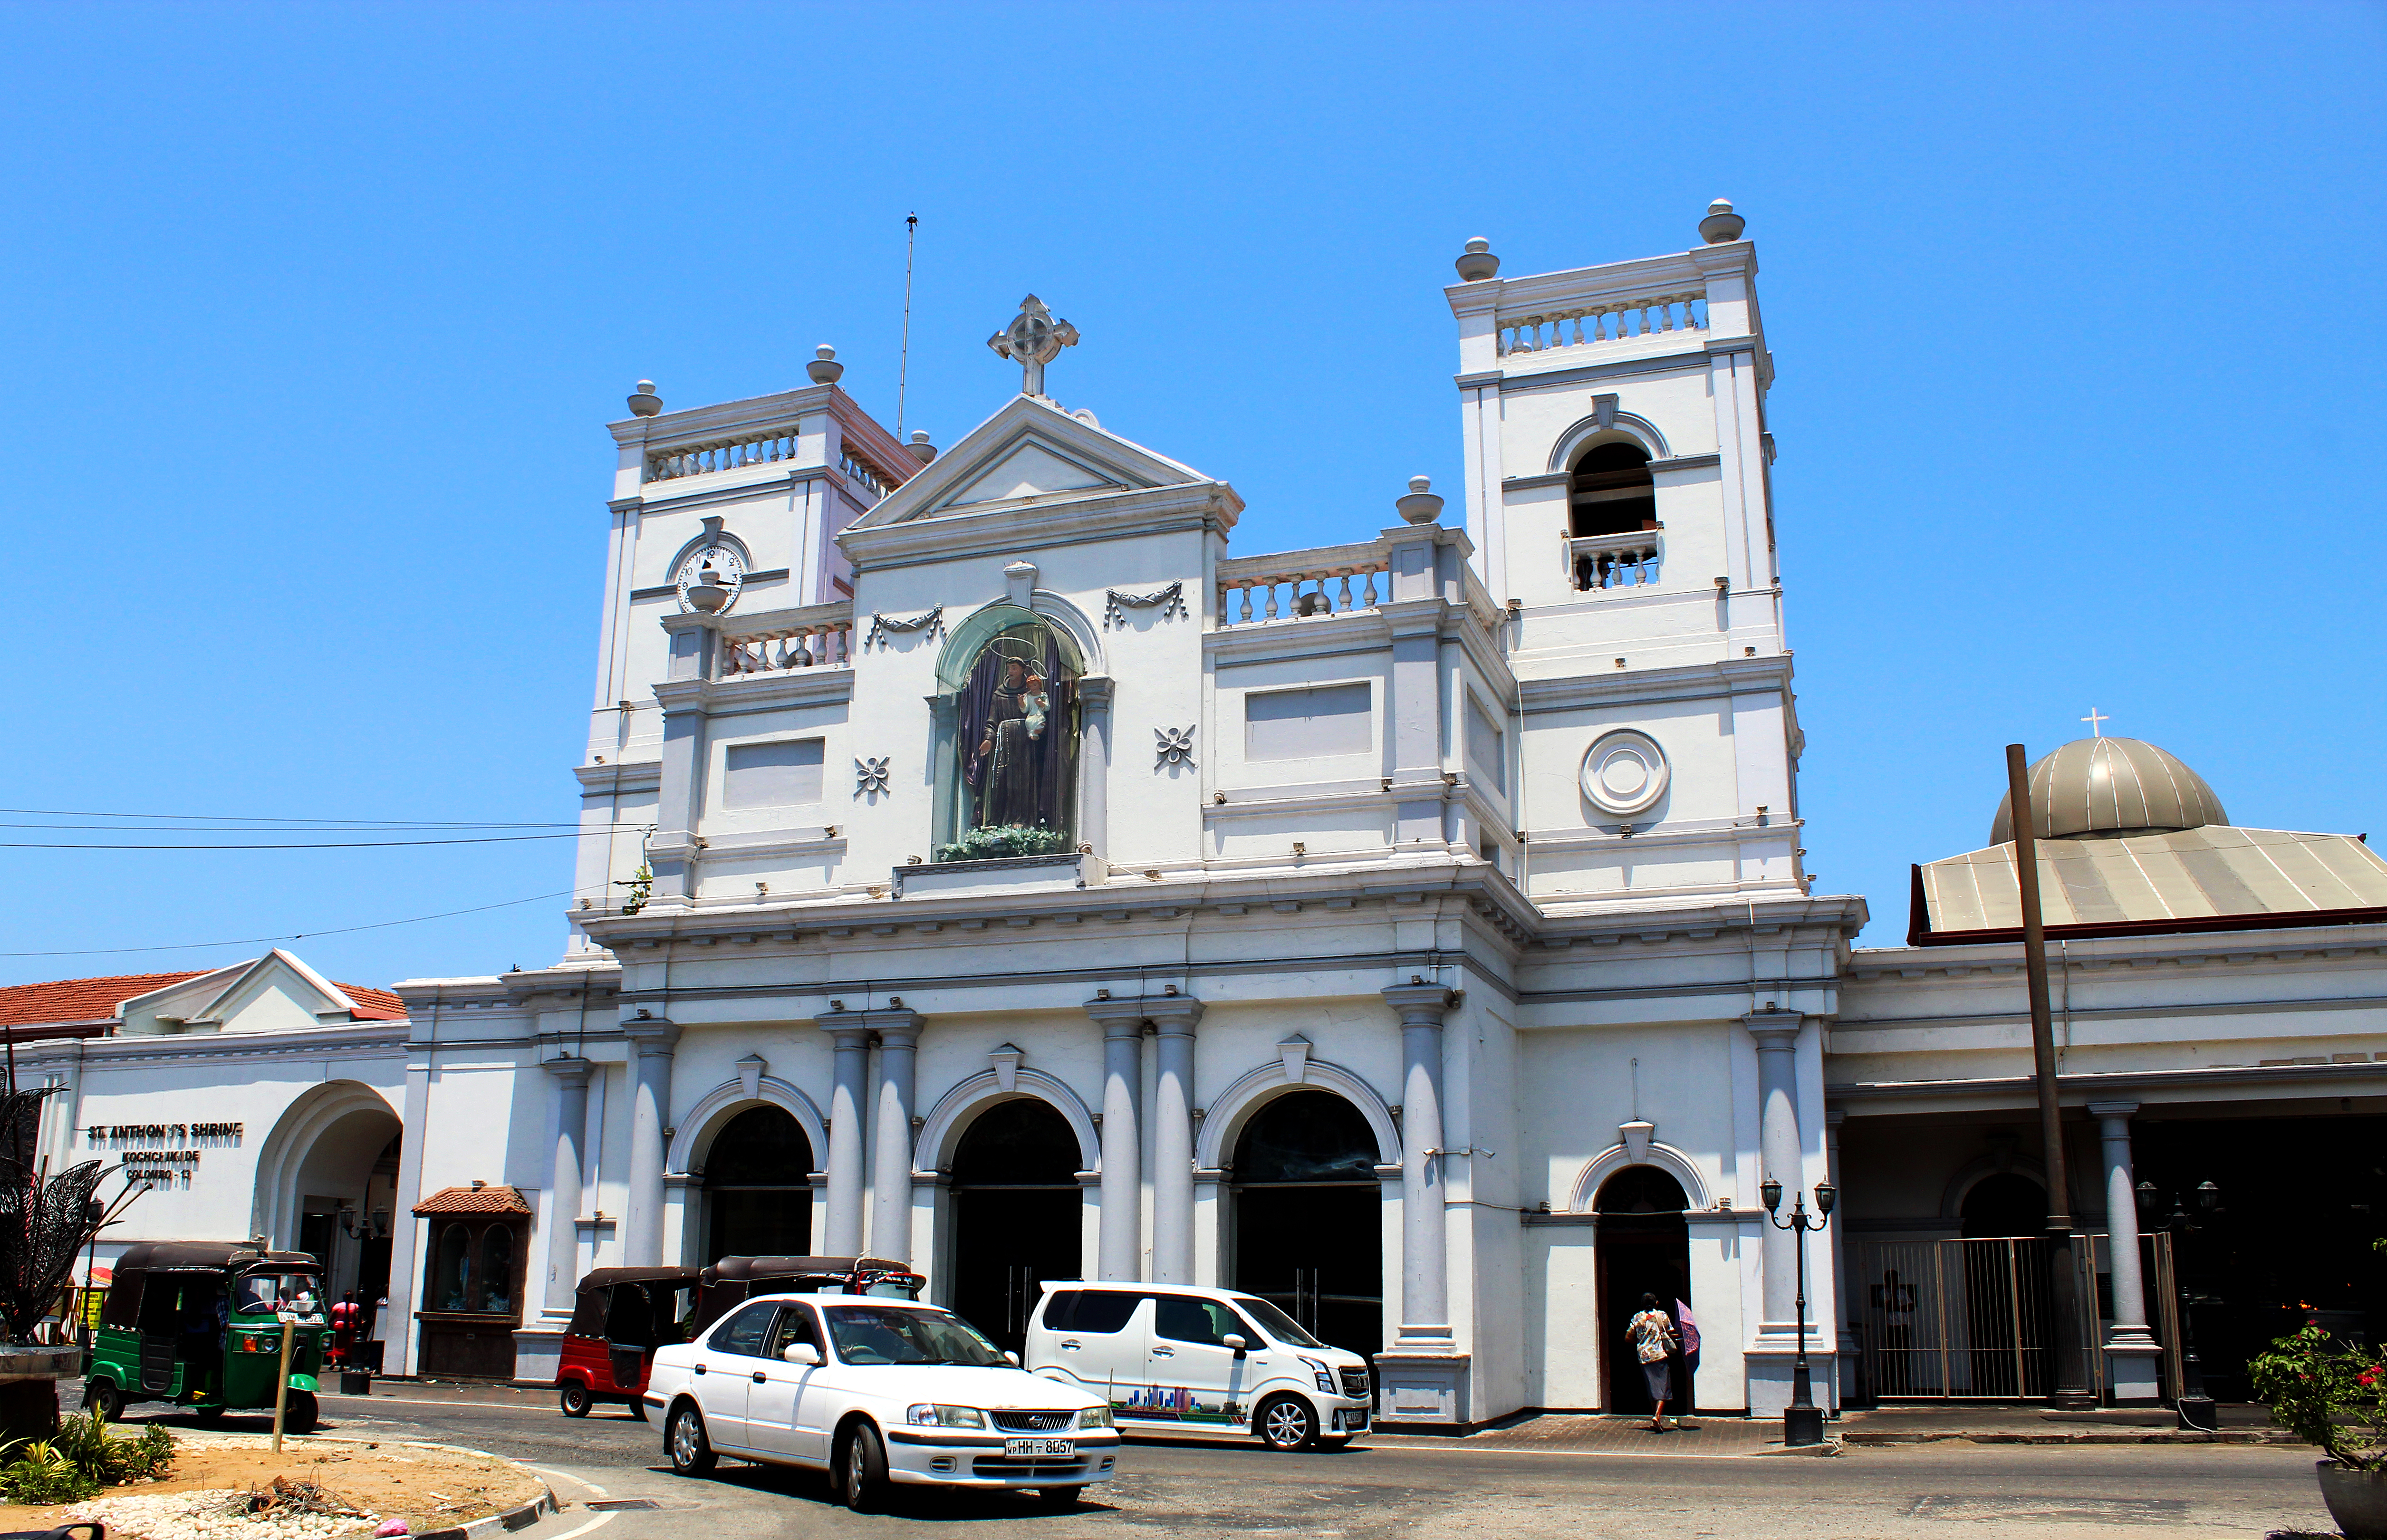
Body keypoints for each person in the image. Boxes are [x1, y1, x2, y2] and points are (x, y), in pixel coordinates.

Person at [1627, 1292, 1678, 1433]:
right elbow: (1670, 1333)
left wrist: (1642, 1342)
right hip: (1659, 1355)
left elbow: (1628, 1338)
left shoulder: (1637, 1317)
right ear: (1656, 1303)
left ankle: (1655, 1419)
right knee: (1664, 1387)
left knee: (1652, 1388)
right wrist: (1681, 1336)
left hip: (1644, 1357)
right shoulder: (1662, 1315)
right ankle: (1657, 1417)